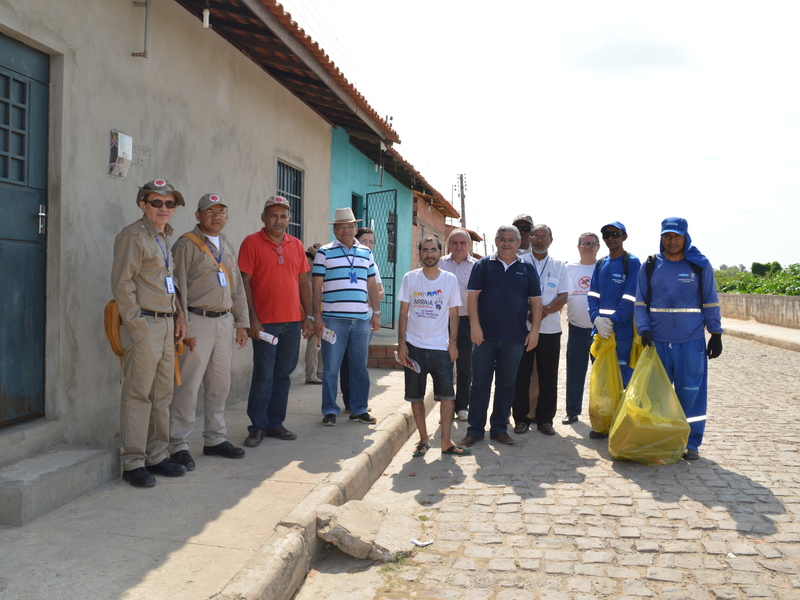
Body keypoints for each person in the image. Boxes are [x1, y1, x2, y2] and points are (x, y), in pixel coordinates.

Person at [111, 178, 188, 488]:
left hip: (167, 323)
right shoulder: (133, 236)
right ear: (143, 204)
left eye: (170, 203)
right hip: (144, 325)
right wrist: (137, 326)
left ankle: (157, 455)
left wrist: (179, 316)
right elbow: (122, 284)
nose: (164, 208)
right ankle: (133, 461)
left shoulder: (162, 236)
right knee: (138, 395)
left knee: (162, 395)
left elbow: (167, 282)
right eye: (157, 202)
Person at [168, 193, 250, 471]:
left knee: (220, 384)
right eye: (210, 211)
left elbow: (236, 286)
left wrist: (242, 323)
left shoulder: (226, 243)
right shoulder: (185, 245)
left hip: (224, 321)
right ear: (197, 215)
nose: (217, 216)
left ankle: (215, 439)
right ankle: (178, 444)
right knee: (188, 386)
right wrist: (185, 325)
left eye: (222, 211)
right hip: (197, 320)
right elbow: (177, 288)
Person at [634, 217, 723, 461]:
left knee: (691, 394)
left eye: (677, 236)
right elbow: (640, 301)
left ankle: (691, 443)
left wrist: (715, 333)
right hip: (658, 342)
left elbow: (711, 300)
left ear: (686, 237)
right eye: (667, 236)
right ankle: (661, 439)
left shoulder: (699, 265)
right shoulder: (651, 265)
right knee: (656, 396)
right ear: (661, 237)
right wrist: (644, 329)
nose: (672, 241)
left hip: (691, 342)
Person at [238, 195, 313, 446]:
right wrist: (251, 319)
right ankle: (257, 426)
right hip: (265, 324)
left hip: (292, 322)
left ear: (289, 219)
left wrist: (309, 315)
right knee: (264, 375)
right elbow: (244, 283)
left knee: (284, 374)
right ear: (263, 218)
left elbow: (304, 282)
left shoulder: (296, 245)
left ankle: (275, 423)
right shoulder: (251, 243)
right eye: (273, 215)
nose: (278, 220)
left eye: (283, 216)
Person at [459, 225, 542, 448]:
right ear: (496, 241)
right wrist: (475, 327)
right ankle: (475, 430)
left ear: (518, 242)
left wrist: (534, 331)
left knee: (507, 385)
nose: (507, 243)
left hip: (515, 337)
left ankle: (498, 430)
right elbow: (472, 297)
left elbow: (536, 301)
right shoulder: (483, 265)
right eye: (502, 239)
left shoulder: (527, 268)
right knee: (479, 385)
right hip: (484, 337)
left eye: (511, 239)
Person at [398, 237, 470, 457]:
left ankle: (446, 441)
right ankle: (423, 440)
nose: (429, 254)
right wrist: (402, 343)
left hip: (440, 348)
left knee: (448, 396)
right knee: (415, 396)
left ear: (440, 253)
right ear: (419, 253)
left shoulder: (449, 280)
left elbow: (454, 314)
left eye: (433, 250)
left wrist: (453, 343)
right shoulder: (410, 278)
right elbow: (403, 313)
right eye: (425, 250)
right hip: (414, 347)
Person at [312, 208, 382, 426]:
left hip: (361, 319)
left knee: (359, 367)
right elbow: (316, 287)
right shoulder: (324, 252)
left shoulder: (366, 253)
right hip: (333, 319)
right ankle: (330, 410)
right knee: (331, 367)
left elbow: (372, 284)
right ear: (335, 229)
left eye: (350, 226)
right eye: (341, 226)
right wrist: (317, 317)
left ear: (355, 228)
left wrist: (376, 313)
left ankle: (359, 408)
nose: (345, 230)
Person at [514, 224, 570, 436]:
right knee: (522, 375)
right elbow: (516, 295)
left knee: (548, 375)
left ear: (551, 240)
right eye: (535, 236)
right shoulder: (520, 263)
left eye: (543, 237)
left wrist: (540, 313)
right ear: (529, 238)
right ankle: (520, 418)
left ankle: (546, 419)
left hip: (550, 330)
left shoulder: (558, 266)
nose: (538, 240)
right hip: (523, 329)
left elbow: (563, 296)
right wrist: (532, 312)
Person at [587, 221, 641, 439]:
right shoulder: (601, 264)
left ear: (624, 237)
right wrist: (596, 319)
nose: (611, 238)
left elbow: (631, 297)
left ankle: (622, 426)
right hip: (600, 334)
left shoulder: (632, 263)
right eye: (607, 235)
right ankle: (605, 424)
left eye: (615, 234)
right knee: (603, 382)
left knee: (623, 382)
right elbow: (593, 295)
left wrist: (613, 321)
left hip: (623, 334)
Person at [340, 227, 384, 412]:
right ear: (356, 240)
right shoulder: (346, 260)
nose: (368, 244)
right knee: (345, 362)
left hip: (364, 319)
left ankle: (359, 403)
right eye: (364, 240)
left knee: (359, 363)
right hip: (343, 318)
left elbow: (380, 292)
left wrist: (366, 299)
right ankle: (349, 401)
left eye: (371, 241)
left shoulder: (372, 264)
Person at [439, 228, 477, 422]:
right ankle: (447, 405)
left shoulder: (477, 266)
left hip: (466, 321)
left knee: (465, 366)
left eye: (463, 243)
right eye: (455, 243)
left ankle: (462, 406)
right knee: (443, 365)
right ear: (449, 244)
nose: (459, 247)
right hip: (441, 321)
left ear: (469, 245)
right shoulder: (440, 264)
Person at [562, 232, 600, 424]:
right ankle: (572, 411)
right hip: (576, 329)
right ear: (578, 247)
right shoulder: (569, 268)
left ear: (598, 247)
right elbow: (561, 296)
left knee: (601, 374)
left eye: (592, 243)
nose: (588, 246)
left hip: (601, 332)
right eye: (584, 243)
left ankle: (602, 412)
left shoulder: (603, 267)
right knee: (575, 371)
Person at [304, 244, 324, 385]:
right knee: (313, 341)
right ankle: (312, 374)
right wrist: (316, 250)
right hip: (312, 307)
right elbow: (321, 257)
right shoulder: (312, 263)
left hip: (316, 306)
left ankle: (319, 372)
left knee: (320, 340)